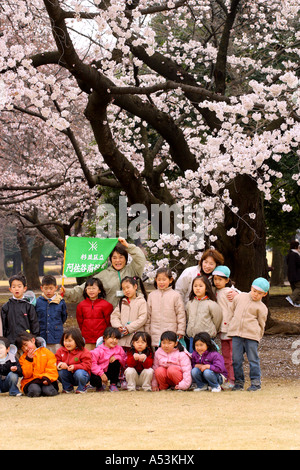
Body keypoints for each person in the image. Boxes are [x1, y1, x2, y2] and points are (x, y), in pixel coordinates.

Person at [61, 238, 146, 308]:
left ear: (126, 258)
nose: (118, 260)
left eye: (121, 257)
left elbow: (140, 258)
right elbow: (85, 288)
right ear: (110, 259)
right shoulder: (103, 275)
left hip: (132, 314)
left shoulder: (133, 269)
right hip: (112, 317)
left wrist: (128, 246)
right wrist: (67, 292)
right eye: (114, 258)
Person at [227, 277, 269, 391]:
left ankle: (256, 383)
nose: (255, 294)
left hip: (251, 336)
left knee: (253, 359)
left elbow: (261, 324)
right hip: (236, 334)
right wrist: (231, 325)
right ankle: (239, 382)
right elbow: (232, 310)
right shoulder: (240, 297)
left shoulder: (262, 308)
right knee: (236, 359)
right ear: (251, 288)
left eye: (259, 293)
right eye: (254, 291)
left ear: (264, 294)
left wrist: (257, 337)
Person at [145, 267, 186, 349]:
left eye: (164, 279)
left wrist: (180, 330)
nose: (161, 282)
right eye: (159, 280)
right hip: (155, 332)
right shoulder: (152, 295)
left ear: (170, 280)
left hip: (171, 332)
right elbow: (148, 315)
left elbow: (180, 314)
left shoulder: (176, 295)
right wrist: (147, 331)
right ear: (156, 280)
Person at [15, 332, 59, 397]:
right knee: (35, 391)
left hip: (46, 379)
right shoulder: (23, 358)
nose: (26, 348)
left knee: (48, 391)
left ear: (33, 340)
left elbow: (52, 368)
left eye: (26, 345)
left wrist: (48, 378)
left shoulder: (46, 352)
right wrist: (28, 360)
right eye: (23, 348)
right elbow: (26, 375)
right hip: (31, 381)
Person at [186, 275, 222, 352]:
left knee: (206, 359)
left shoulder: (212, 304)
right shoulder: (190, 303)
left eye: (201, 286)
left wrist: (212, 331)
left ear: (206, 288)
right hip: (193, 337)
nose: (197, 288)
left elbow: (217, 320)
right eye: (195, 286)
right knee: (193, 358)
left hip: (207, 337)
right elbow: (188, 317)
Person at [1, 273, 40, 345]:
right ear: (10, 289)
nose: (16, 289)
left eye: (19, 286)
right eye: (13, 287)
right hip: (11, 341)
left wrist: (34, 339)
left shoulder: (29, 306)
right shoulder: (6, 307)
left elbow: (34, 324)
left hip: (26, 342)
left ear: (24, 288)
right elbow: (4, 326)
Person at [110, 276, 148, 349]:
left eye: (128, 287)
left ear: (135, 286)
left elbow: (142, 318)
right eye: (123, 289)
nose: (126, 290)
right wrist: (118, 326)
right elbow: (114, 316)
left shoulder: (141, 301)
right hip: (122, 339)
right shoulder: (122, 302)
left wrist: (129, 328)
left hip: (136, 339)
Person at [212, 266, 235, 387]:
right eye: (215, 279)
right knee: (225, 355)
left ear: (227, 280)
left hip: (230, 328)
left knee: (232, 356)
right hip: (222, 328)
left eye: (220, 279)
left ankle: (233, 379)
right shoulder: (216, 291)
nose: (217, 282)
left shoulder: (229, 293)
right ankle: (227, 378)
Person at [76, 277, 113, 350]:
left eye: (93, 288)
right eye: (89, 288)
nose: (91, 291)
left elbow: (109, 323)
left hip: (101, 339)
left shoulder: (106, 305)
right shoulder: (81, 305)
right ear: (85, 290)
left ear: (99, 290)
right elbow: (80, 322)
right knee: (88, 358)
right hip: (87, 339)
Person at [35, 275, 68, 353]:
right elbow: (35, 317)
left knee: (56, 358)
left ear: (56, 287)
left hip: (56, 337)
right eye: (46, 288)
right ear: (41, 288)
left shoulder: (60, 302)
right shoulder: (38, 301)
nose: (48, 291)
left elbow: (64, 317)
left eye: (51, 288)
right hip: (42, 336)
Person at [55, 327, 92, 394]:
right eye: (65, 341)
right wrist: (60, 364)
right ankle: (67, 388)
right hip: (68, 375)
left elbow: (88, 365)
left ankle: (81, 388)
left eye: (70, 341)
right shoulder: (60, 351)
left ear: (77, 341)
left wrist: (75, 367)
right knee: (61, 372)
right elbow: (55, 361)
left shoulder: (84, 351)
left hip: (81, 375)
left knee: (79, 373)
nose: (67, 343)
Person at [90, 327, 127, 392]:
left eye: (116, 338)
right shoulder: (98, 350)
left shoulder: (119, 349)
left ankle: (113, 384)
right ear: (104, 338)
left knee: (116, 362)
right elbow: (92, 364)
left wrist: (117, 357)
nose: (114, 340)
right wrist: (101, 374)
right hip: (99, 372)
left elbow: (124, 360)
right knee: (94, 378)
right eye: (112, 338)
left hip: (110, 372)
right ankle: (99, 386)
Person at [286, 241, 300, 307]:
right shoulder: (296, 255)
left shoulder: (289, 255)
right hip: (297, 276)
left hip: (290, 276)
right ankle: (291, 298)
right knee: (299, 288)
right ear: (296, 247)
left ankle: (296, 303)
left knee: (295, 289)